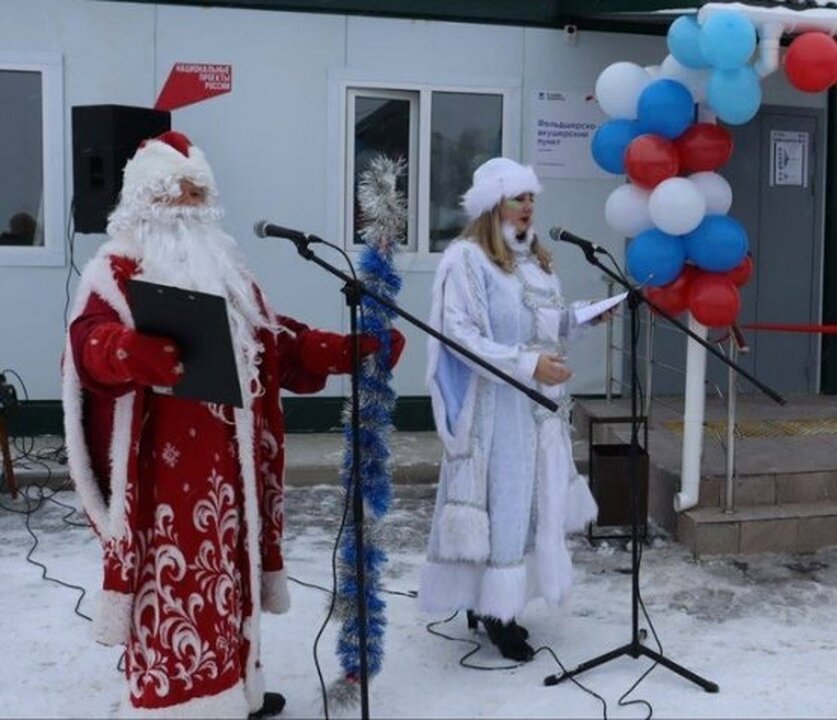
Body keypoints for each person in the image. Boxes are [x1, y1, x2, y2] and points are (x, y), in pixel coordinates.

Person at [62, 131, 404, 717]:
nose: (189, 206)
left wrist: (350, 348)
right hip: (162, 483)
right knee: (177, 593)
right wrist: (126, 351)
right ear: (143, 201)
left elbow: (281, 345)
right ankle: (178, 706)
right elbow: (86, 345)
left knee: (228, 585)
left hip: (230, 473)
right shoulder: (111, 273)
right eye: (176, 193)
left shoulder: (229, 276)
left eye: (199, 193)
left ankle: (233, 692)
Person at [420, 158, 600, 662]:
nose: (528, 208)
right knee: (503, 504)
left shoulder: (536, 262)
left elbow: (544, 328)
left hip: (537, 411)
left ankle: (503, 600)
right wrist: (526, 364)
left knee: (529, 506)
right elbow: (458, 335)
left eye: (532, 198)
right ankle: (496, 612)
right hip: (494, 410)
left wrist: (580, 321)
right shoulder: (467, 260)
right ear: (492, 204)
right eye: (518, 198)